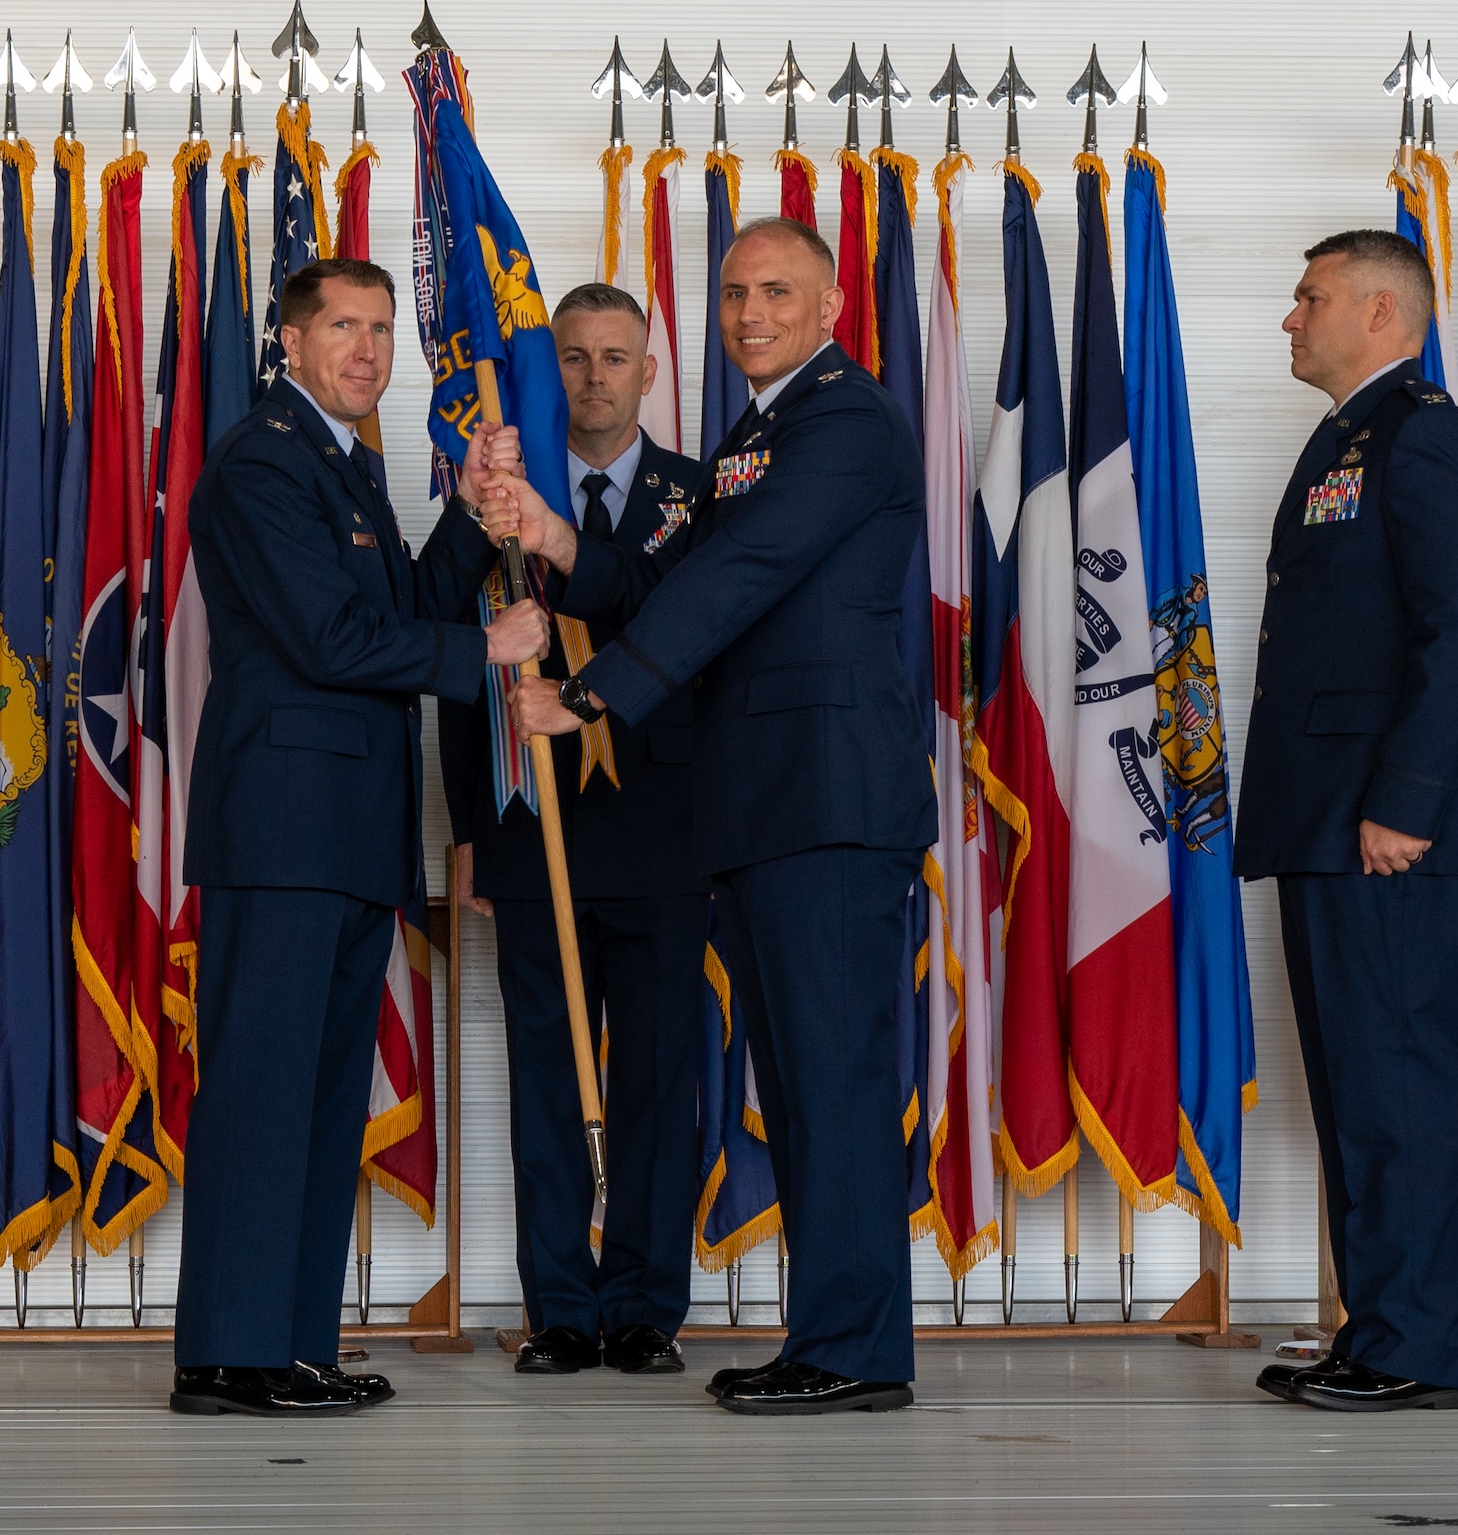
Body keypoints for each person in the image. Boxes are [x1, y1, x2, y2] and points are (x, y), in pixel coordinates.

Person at [499, 218, 935, 1416]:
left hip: (825, 797)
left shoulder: (841, 418)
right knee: (799, 1083)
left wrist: (588, 693)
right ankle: (831, 1337)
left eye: (776, 291)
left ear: (832, 303)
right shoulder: (759, 432)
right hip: (764, 805)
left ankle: (852, 1350)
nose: (749, 312)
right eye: (735, 292)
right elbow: (681, 577)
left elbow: (736, 583)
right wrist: (553, 540)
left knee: (833, 1081)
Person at [172, 258, 547, 1417]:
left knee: (322, 1103)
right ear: (289, 342)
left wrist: (475, 520)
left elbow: (404, 613)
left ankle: (288, 1344)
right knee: (262, 1098)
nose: (370, 350)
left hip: (340, 838)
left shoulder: (345, 469)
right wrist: (482, 655)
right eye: (343, 326)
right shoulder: (259, 464)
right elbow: (331, 639)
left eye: (383, 329)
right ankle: (228, 1357)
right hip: (282, 836)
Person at [1240, 230, 1458, 1414]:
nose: (1289, 318)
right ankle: (1378, 1328)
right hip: (1327, 821)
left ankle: (1419, 1350)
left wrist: (1402, 803)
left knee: (1394, 1089)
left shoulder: (1424, 433)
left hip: (1388, 829)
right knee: (1358, 1089)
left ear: (1380, 313)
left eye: (1309, 298)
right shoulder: (1348, 434)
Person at [440, 282, 709, 1378]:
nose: (593, 376)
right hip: (530, 827)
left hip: (664, 836)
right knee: (548, 1076)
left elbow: (700, 649)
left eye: (614, 357)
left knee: (654, 1078)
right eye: (573, 358)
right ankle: (558, 1304)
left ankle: (644, 1304)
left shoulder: (700, 499)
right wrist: (465, 831)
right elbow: (456, 666)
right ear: (546, 372)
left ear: (650, 372)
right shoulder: (501, 497)